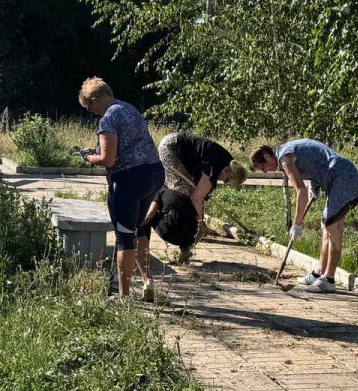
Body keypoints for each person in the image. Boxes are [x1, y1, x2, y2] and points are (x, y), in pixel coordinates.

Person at [78, 77, 164, 300]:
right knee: (138, 229)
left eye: (90, 108)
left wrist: (89, 157)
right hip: (153, 174)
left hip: (129, 180)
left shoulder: (108, 117)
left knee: (124, 237)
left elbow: (108, 159)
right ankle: (148, 281)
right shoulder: (129, 109)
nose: (93, 113)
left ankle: (123, 297)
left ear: (96, 100)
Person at [250, 139, 358, 294]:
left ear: (267, 156)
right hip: (340, 174)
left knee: (332, 226)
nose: (265, 171)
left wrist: (297, 223)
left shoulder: (284, 157)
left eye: (263, 167)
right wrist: (314, 184)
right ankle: (319, 271)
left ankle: (329, 279)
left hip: (341, 176)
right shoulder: (286, 152)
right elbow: (313, 159)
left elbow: (300, 191)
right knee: (326, 225)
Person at [158, 132, 246, 241]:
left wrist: (203, 195)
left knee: (192, 191)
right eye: (227, 180)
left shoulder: (228, 163)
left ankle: (191, 226)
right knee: (183, 193)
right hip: (171, 148)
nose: (224, 182)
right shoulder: (214, 165)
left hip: (177, 147)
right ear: (228, 172)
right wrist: (201, 224)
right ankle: (181, 228)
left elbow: (200, 189)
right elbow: (197, 198)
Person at [142, 188, 199, 254]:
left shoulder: (158, 193)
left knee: (148, 216)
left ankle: (143, 250)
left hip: (170, 234)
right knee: (182, 218)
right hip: (190, 237)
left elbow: (149, 216)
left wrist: (136, 227)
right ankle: (185, 249)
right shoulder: (185, 196)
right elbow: (197, 220)